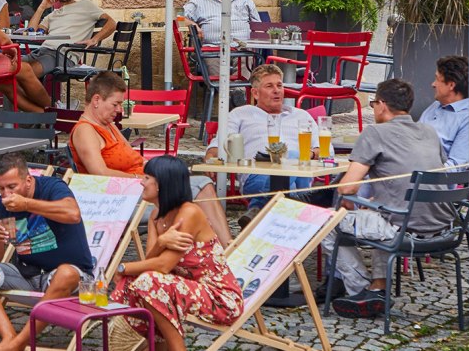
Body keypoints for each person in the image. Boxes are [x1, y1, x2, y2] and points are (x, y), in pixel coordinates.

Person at [324, 79, 451, 318]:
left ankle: (361, 290)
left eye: (373, 104)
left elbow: (347, 188)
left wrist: (349, 201)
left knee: (324, 224)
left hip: (402, 228)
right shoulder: (429, 131)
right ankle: (378, 286)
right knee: (379, 213)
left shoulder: (374, 132)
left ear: (382, 105)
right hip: (442, 227)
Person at [70, 72, 233, 243]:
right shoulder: (85, 130)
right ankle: (224, 251)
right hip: (122, 198)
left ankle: (220, 249)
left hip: (143, 188)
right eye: (116, 104)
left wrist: (160, 172)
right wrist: (140, 179)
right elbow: (100, 173)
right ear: (96, 100)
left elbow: (137, 158)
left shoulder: (108, 126)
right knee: (201, 187)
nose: (119, 110)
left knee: (201, 184)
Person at [0, 154, 94, 351]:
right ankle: (8, 335)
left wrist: (27, 204)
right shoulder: (1, 207)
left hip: (68, 276)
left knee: (66, 273)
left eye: (12, 187)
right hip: (26, 274)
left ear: (28, 180)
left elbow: (73, 214)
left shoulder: (51, 187)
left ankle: (19, 344)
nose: (6, 194)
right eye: (1, 188)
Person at [110, 157, 245, 351]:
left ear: (162, 183)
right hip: (185, 289)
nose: (141, 182)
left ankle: (176, 347)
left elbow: (163, 265)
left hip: (218, 297)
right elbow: (151, 260)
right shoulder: (156, 215)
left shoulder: (189, 212)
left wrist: (124, 267)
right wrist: (162, 242)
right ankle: (158, 344)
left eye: (147, 177)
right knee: (133, 282)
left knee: (147, 281)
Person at [207, 64, 321, 221]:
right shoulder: (241, 114)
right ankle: (295, 206)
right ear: (255, 93)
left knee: (293, 157)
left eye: (279, 85)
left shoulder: (301, 116)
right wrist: (211, 154)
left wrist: (308, 154)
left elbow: (324, 150)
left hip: (298, 173)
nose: (277, 90)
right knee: (291, 184)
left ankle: (258, 207)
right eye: (269, 86)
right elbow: (220, 142)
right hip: (256, 175)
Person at [25, 0, 117, 78]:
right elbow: (30, 32)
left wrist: (94, 39)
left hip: (62, 55)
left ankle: (37, 95)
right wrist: (41, 8)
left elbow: (112, 23)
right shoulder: (53, 14)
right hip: (40, 52)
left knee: (26, 73)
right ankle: (28, 95)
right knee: (8, 70)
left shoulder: (86, 5)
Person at [419, 55, 469, 167]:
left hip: (429, 179)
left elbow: (456, 167)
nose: (433, 84)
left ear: (451, 85)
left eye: (437, 79)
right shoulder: (435, 105)